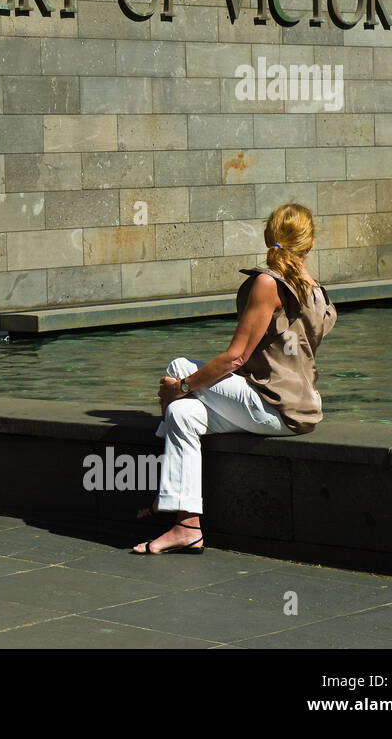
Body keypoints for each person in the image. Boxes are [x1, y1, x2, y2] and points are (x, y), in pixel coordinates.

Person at [134, 203, 337, 554]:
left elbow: (236, 358)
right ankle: (187, 526)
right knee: (184, 415)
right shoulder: (316, 291)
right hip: (301, 410)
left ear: (267, 237)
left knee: (179, 366)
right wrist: (181, 401)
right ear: (311, 244)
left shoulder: (267, 284)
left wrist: (181, 388)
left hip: (270, 405)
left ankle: (162, 488)